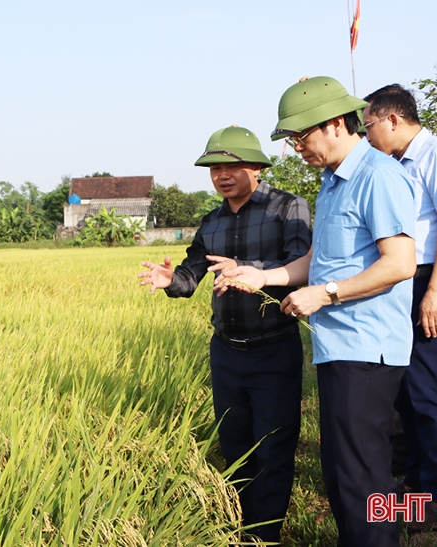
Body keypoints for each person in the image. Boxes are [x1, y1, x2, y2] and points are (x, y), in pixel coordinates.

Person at [216, 76, 417, 547]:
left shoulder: (377, 175)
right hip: (339, 347)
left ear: (332, 124)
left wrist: (324, 294)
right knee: (343, 474)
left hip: (367, 349)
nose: (295, 148)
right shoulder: (333, 181)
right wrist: (262, 276)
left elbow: (400, 263)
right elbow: (320, 260)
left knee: (360, 476)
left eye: (300, 137)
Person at [138, 125, 312, 543]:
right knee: (235, 444)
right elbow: (190, 275)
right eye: (214, 168)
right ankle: (241, 525)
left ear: (256, 165)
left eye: (231, 165)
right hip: (227, 353)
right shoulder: (211, 221)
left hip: (273, 347)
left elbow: (302, 266)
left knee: (272, 445)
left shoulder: (288, 208)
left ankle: (264, 534)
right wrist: (170, 279)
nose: (222, 175)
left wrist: (249, 269)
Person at [363, 83, 437, 531]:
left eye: (368, 125)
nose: (366, 136)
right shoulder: (391, 164)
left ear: (392, 119)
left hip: (425, 281)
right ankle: (415, 485)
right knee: (402, 389)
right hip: (399, 281)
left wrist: (436, 289)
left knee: (425, 389)